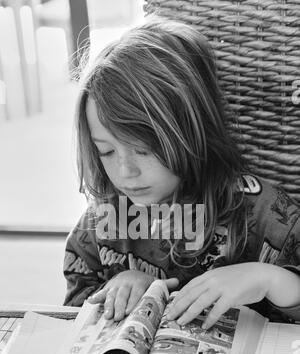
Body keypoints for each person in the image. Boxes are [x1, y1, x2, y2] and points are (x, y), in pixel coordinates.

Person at [63, 15, 300, 330]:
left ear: (193, 130)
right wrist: (119, 288)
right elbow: (73, 309)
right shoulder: (104, 220)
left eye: (144, 150)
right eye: (106, 151)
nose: (125, 171)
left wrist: (270, 279)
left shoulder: (265, 214)